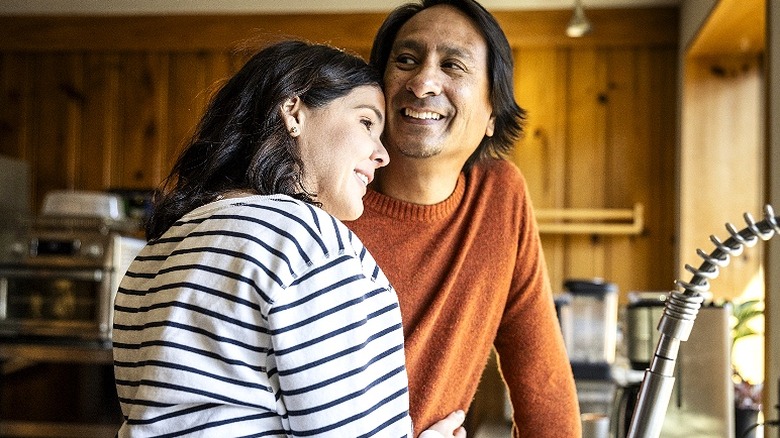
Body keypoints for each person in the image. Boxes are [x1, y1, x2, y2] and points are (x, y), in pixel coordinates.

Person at [112, 39, 465, 437]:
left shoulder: (154, 255)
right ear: (293, 112)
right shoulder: (305, 240)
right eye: (367, 122)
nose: (381, 155)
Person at [343, 1, 582, 436]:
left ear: (493, 113)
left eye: (453, 65)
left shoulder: (499, 196)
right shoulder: (320, 204)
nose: (422, 83)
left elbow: (542, 385)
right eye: (406, 60)